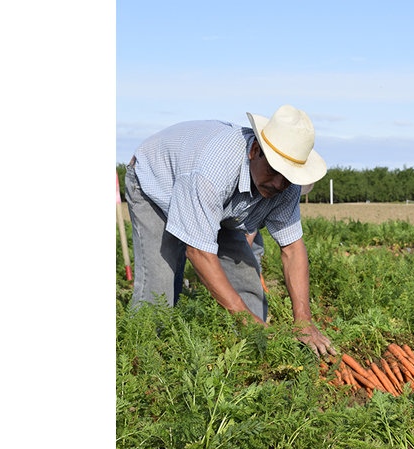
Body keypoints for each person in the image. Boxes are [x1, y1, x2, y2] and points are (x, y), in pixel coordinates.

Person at [123, 104, 336, 357]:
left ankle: (253, 359)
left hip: (222, 205)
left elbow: (292, 249)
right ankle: (142, 363)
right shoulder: (212, 169)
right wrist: (244, 318)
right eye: (274, 170)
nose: (279, 184)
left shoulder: (285, 187)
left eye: (288, 177)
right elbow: (198, 252)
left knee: (248, 283)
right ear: (254, 151)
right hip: (157, 184)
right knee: (160, 285)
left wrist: (303, 322)